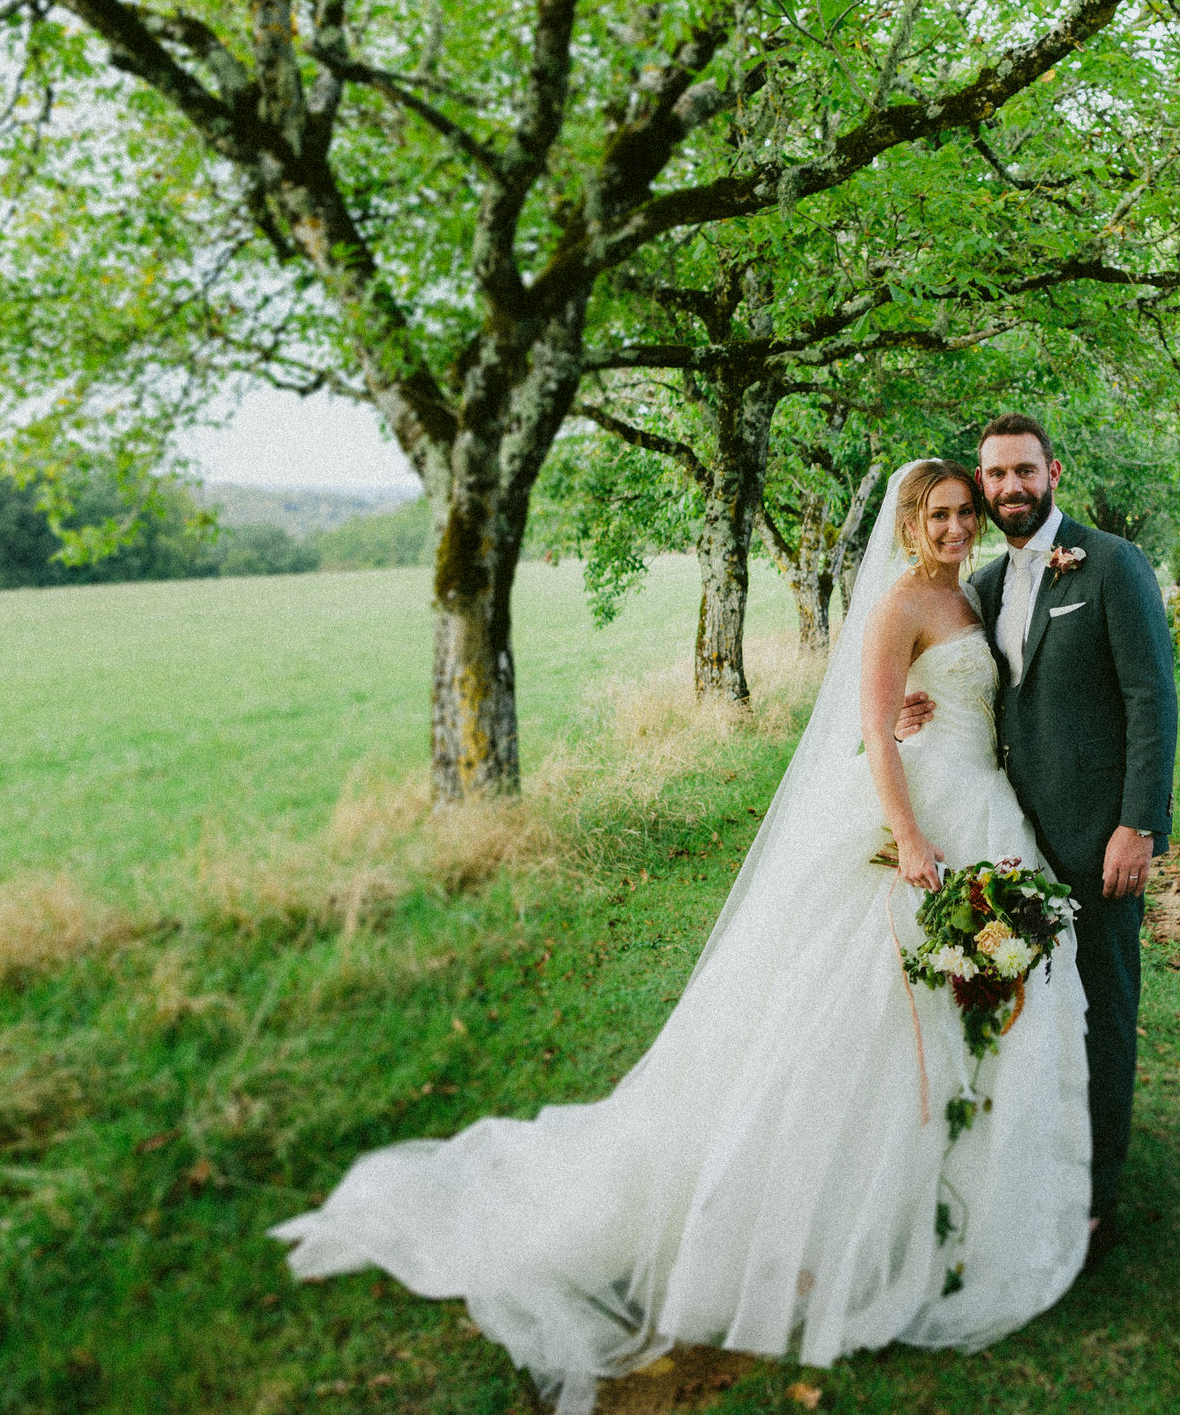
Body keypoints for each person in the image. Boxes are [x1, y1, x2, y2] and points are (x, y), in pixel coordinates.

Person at [271, 460, 1090, 1415]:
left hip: (979, 802)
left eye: (963, 512)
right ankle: (828, 1222)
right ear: (909, 523)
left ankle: (959, 1199)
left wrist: (1010, 620)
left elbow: (986, 667)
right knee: (871, 1014)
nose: (954, 527)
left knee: (976, 1002)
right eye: (937, 514)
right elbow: (871, 729)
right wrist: (908, 836)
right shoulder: (901, 603)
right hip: (921, 821)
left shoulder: (973, 591)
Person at [895, 412, 1178, 1266]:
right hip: (1007, 834)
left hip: (1098, 838)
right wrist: (914, 710)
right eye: (995, 475)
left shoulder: (1113, 565)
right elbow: (974, 685)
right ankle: (1025, 1168)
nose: (1009, 487)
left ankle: (1095, 1199)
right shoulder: (980, 584)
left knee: (1104, 1008)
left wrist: (1138, 823)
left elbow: (1152, 698)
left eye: (1024, 470)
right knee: (1031, 1013)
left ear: (1053, 472)